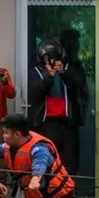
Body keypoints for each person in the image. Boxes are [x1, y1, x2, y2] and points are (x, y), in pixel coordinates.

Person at [27, 38, 85, 175]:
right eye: (48, 57)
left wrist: (64, 72)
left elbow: (79, 83)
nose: (51, 61)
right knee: (47, 160)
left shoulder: (68, 70)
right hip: (45, 124)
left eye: (55, 57)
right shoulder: (36, 72)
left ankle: (69, 192)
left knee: (69, 163)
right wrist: (49, 77)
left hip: (68, 124)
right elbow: (34, 95)